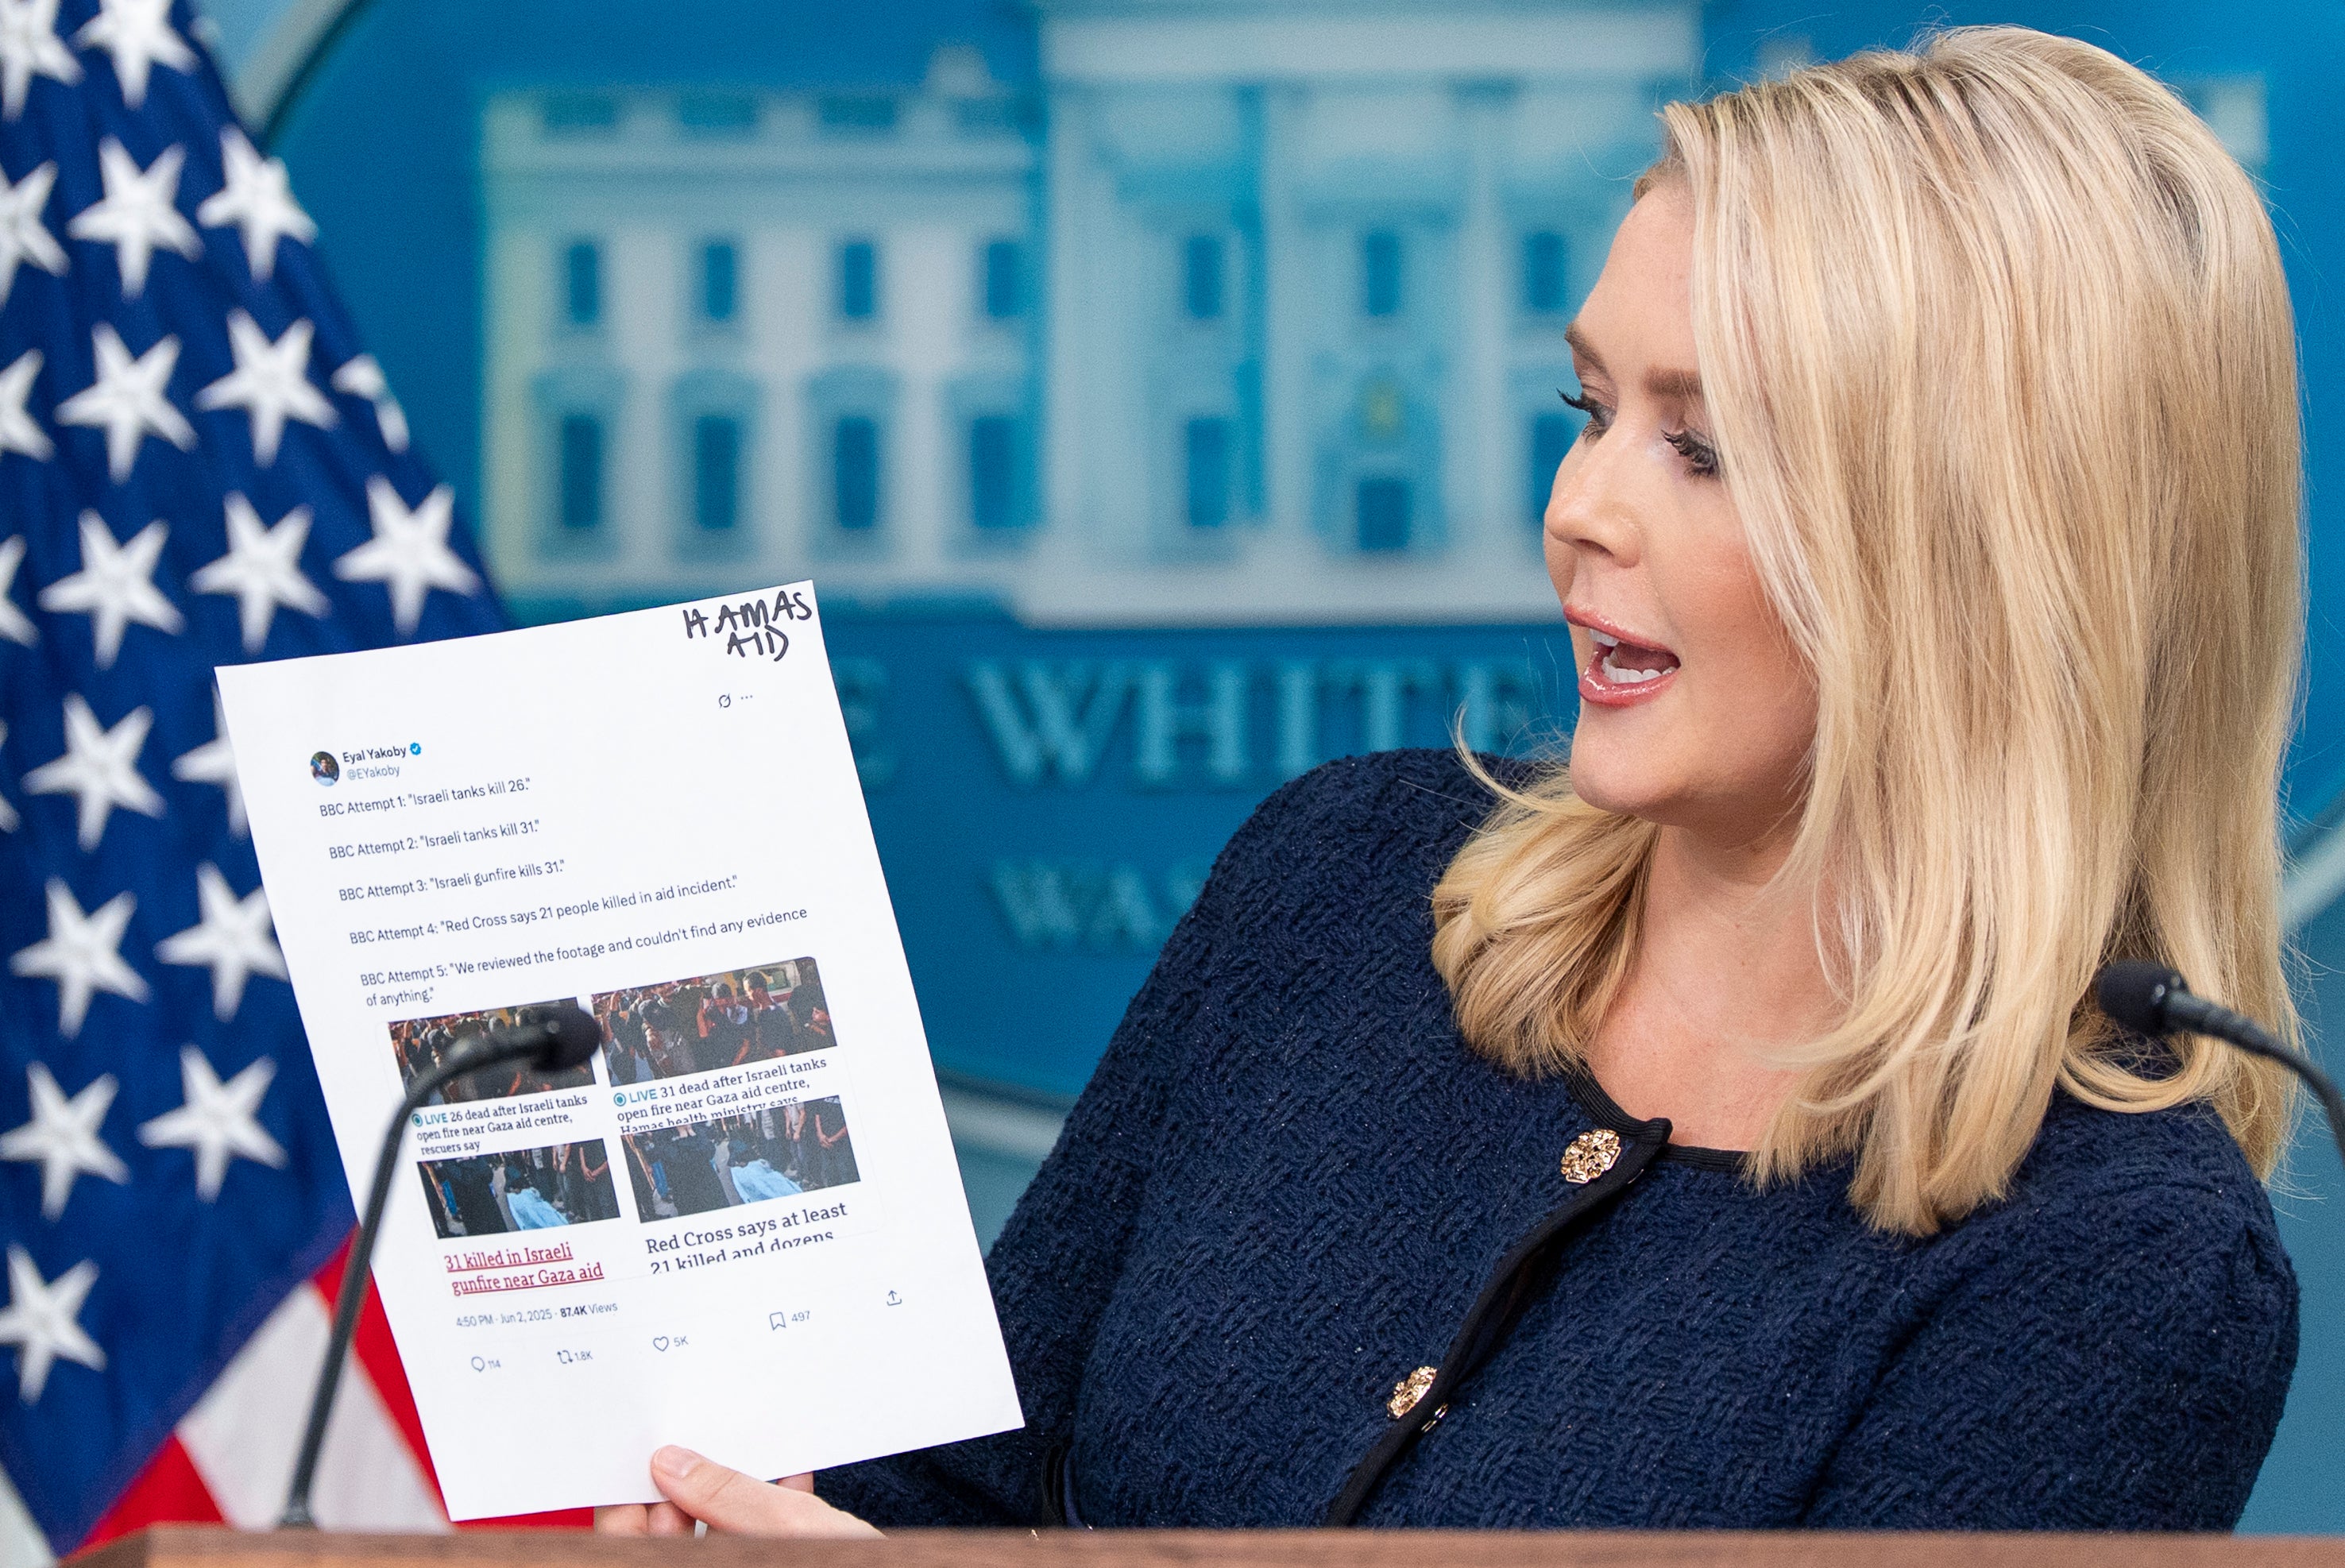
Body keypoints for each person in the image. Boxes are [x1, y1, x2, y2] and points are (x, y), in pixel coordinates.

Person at [602, 29, 2302, 1537]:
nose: (1580, 509)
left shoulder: (2126, 1267)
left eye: (1701, 448)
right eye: (1590, 407)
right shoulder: (1343, 877)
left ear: (1987, 562)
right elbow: (935, 1493)